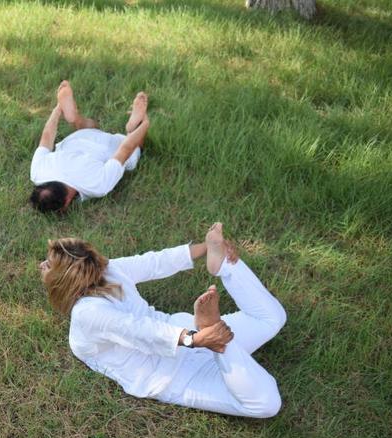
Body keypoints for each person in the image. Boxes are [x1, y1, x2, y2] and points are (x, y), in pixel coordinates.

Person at [39, 223, 286, 418]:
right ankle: (218, 326)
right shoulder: (103, 283)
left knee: (265, 402)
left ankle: (220, 295)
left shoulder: (94, 300)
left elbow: (141, 326)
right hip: (182, 341)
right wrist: (195, 338)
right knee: (269, 323)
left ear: (66, 278)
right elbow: (142, 323)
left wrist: (209, 248)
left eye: (49, 264)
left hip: (172, 370)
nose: (42, 266)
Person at [29, 81, 150, 213]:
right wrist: (57, 109)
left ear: (67, 202)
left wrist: (145, 124)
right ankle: (75, 118)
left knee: (132, 157)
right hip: (78, 138)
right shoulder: (37, 173)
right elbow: (46, 138)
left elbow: (125, 149)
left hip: (108, 145)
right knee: (91, 128)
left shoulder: (96, 186)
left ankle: (134, 126)